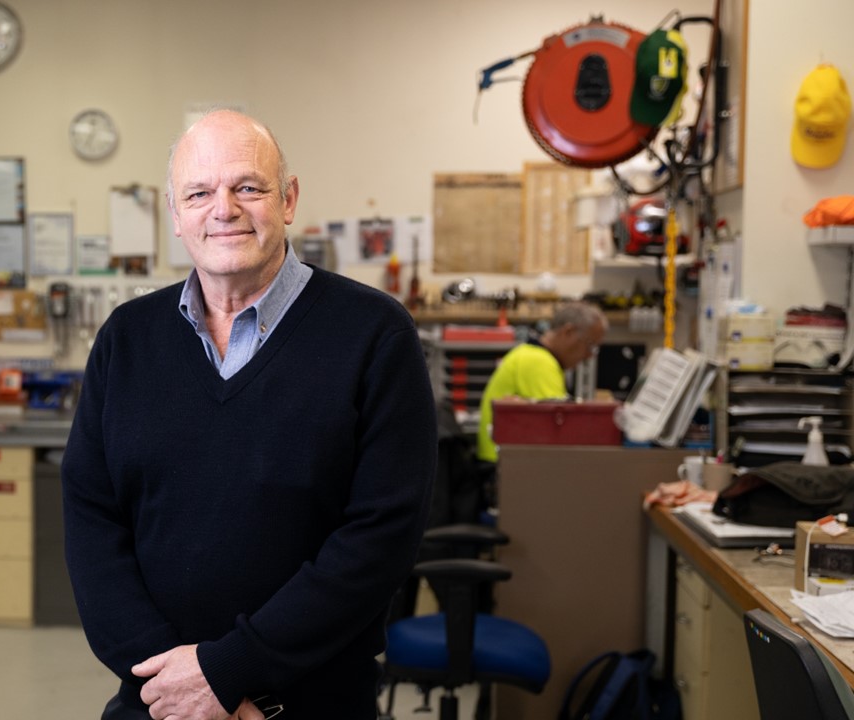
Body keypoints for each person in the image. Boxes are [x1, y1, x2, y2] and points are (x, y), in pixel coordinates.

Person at [61, 109, 437, 720]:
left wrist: (231, 672)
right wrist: (175, 683)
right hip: (157, 704)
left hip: (310, 706)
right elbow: (90, 521)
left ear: (288, 200)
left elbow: (381, 536)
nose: (224, 208)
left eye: (248, 187)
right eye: (199, 192)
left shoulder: (374, 335)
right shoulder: (127, 338)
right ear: (175, 215)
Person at [475, 302, 608, 465]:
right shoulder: (538, 361)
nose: (589, 356)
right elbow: (560, 432)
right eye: (590, 345)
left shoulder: (533, 354)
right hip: (502, 469)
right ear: (568, 332)